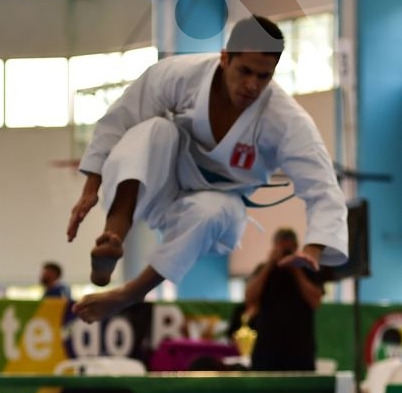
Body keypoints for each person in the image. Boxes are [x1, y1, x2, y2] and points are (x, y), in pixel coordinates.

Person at [67, 17, 348, 323]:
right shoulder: (182, 75)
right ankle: (113, 236)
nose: (252, 85)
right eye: (245, 71)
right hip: (164, 184)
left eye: (263, 76)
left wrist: (314, 249)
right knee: (154, 130)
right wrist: (90, 188)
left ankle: (132, 292)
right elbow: (120, 120)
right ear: (225, 57)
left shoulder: (286, 119)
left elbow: (323, 187)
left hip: (220, 208)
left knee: (213, 209)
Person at [243, 228, 323, 371]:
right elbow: (249, 297)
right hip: (267, 350)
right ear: (274, 246)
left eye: (289, 248)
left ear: (296, 248)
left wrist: (296, 268)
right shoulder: (263, 269)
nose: (285, 251)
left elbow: (315, 301)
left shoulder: (307, 269)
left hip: (299, 350)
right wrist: (270, 264)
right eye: (282, 246)